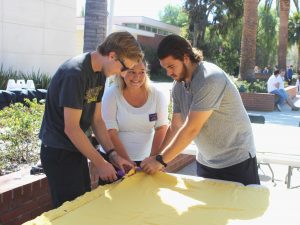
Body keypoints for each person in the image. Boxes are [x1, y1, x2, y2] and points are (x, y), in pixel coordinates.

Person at [39, 31, 143, 208]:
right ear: (112, 56)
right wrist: (100, 163)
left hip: (76, 150)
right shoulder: (75, 73)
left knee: (82, 205)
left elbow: (97, 121)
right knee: (68, 212)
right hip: (58, 152)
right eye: (124, 68)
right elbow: (71, 128)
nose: (124, 74)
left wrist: (113, 155)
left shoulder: (100, 73)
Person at [141, 34, 260, 186]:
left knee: (241, 210)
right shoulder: (178, 86)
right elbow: (176, 126)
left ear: (185, 58)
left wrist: (160, 161)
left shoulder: (210, 78)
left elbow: (191, 129)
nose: (169, 73)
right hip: (206, 162)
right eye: (165, 68)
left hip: (236, 161)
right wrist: (156, 157)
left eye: (171, 66)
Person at [100, 60, 169, 171]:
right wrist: (127, 162)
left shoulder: (157, 95)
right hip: (116, 161)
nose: (137, 77)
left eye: (142, 72)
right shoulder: (111, 94)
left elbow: (161, 128)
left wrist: (153, 159)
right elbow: (110, 132)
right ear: (122, 73)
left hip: (147, 163)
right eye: (132, 72)